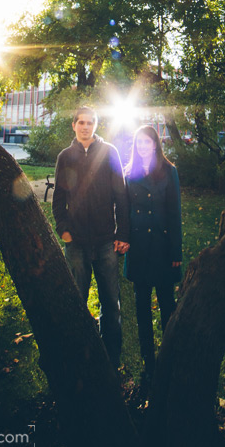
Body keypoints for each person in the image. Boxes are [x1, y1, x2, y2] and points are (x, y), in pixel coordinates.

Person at [52, 105, 130, 368]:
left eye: (90, 122)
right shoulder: (65, 157)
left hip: (106, 240)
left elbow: (121, 195)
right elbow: (59, 199)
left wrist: (123, 233)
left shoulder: (110, 153)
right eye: (81, 122)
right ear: (73, 125)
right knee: (76, 302)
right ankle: (78, 356)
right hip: (76, 243)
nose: (86, 126)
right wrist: (63, 229)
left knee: (111, 303)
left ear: (96, 125)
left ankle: (111, 358)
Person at [124, 125, 182, 385]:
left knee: (167, 306)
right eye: (139, 142)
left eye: (147, 142)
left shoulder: (170, 172)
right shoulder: (129, 173)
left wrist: (176, 251)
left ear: (156, 144)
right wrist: (122, 239)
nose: (143, 146)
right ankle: (149, 363)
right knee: (142, 310)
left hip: (162, 247)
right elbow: (123, 213)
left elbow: (175, 214)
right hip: (138, 249)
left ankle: (170, 360)